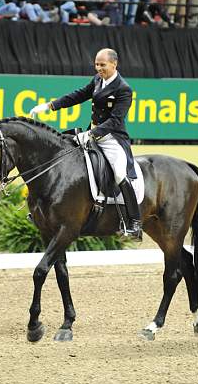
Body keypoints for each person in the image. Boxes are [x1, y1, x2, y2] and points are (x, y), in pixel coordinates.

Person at [29, 48, 142, 240]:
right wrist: (50, 106)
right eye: (96, 64)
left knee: (120, 172)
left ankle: (134, 223)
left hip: (111, 138)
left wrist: (92, 134)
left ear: (114, 64)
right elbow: (78, 95)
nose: (98, 68)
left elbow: (115, 120)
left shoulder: (124, 89)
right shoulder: (98, 80)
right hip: (91, 133)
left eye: (102, 65)